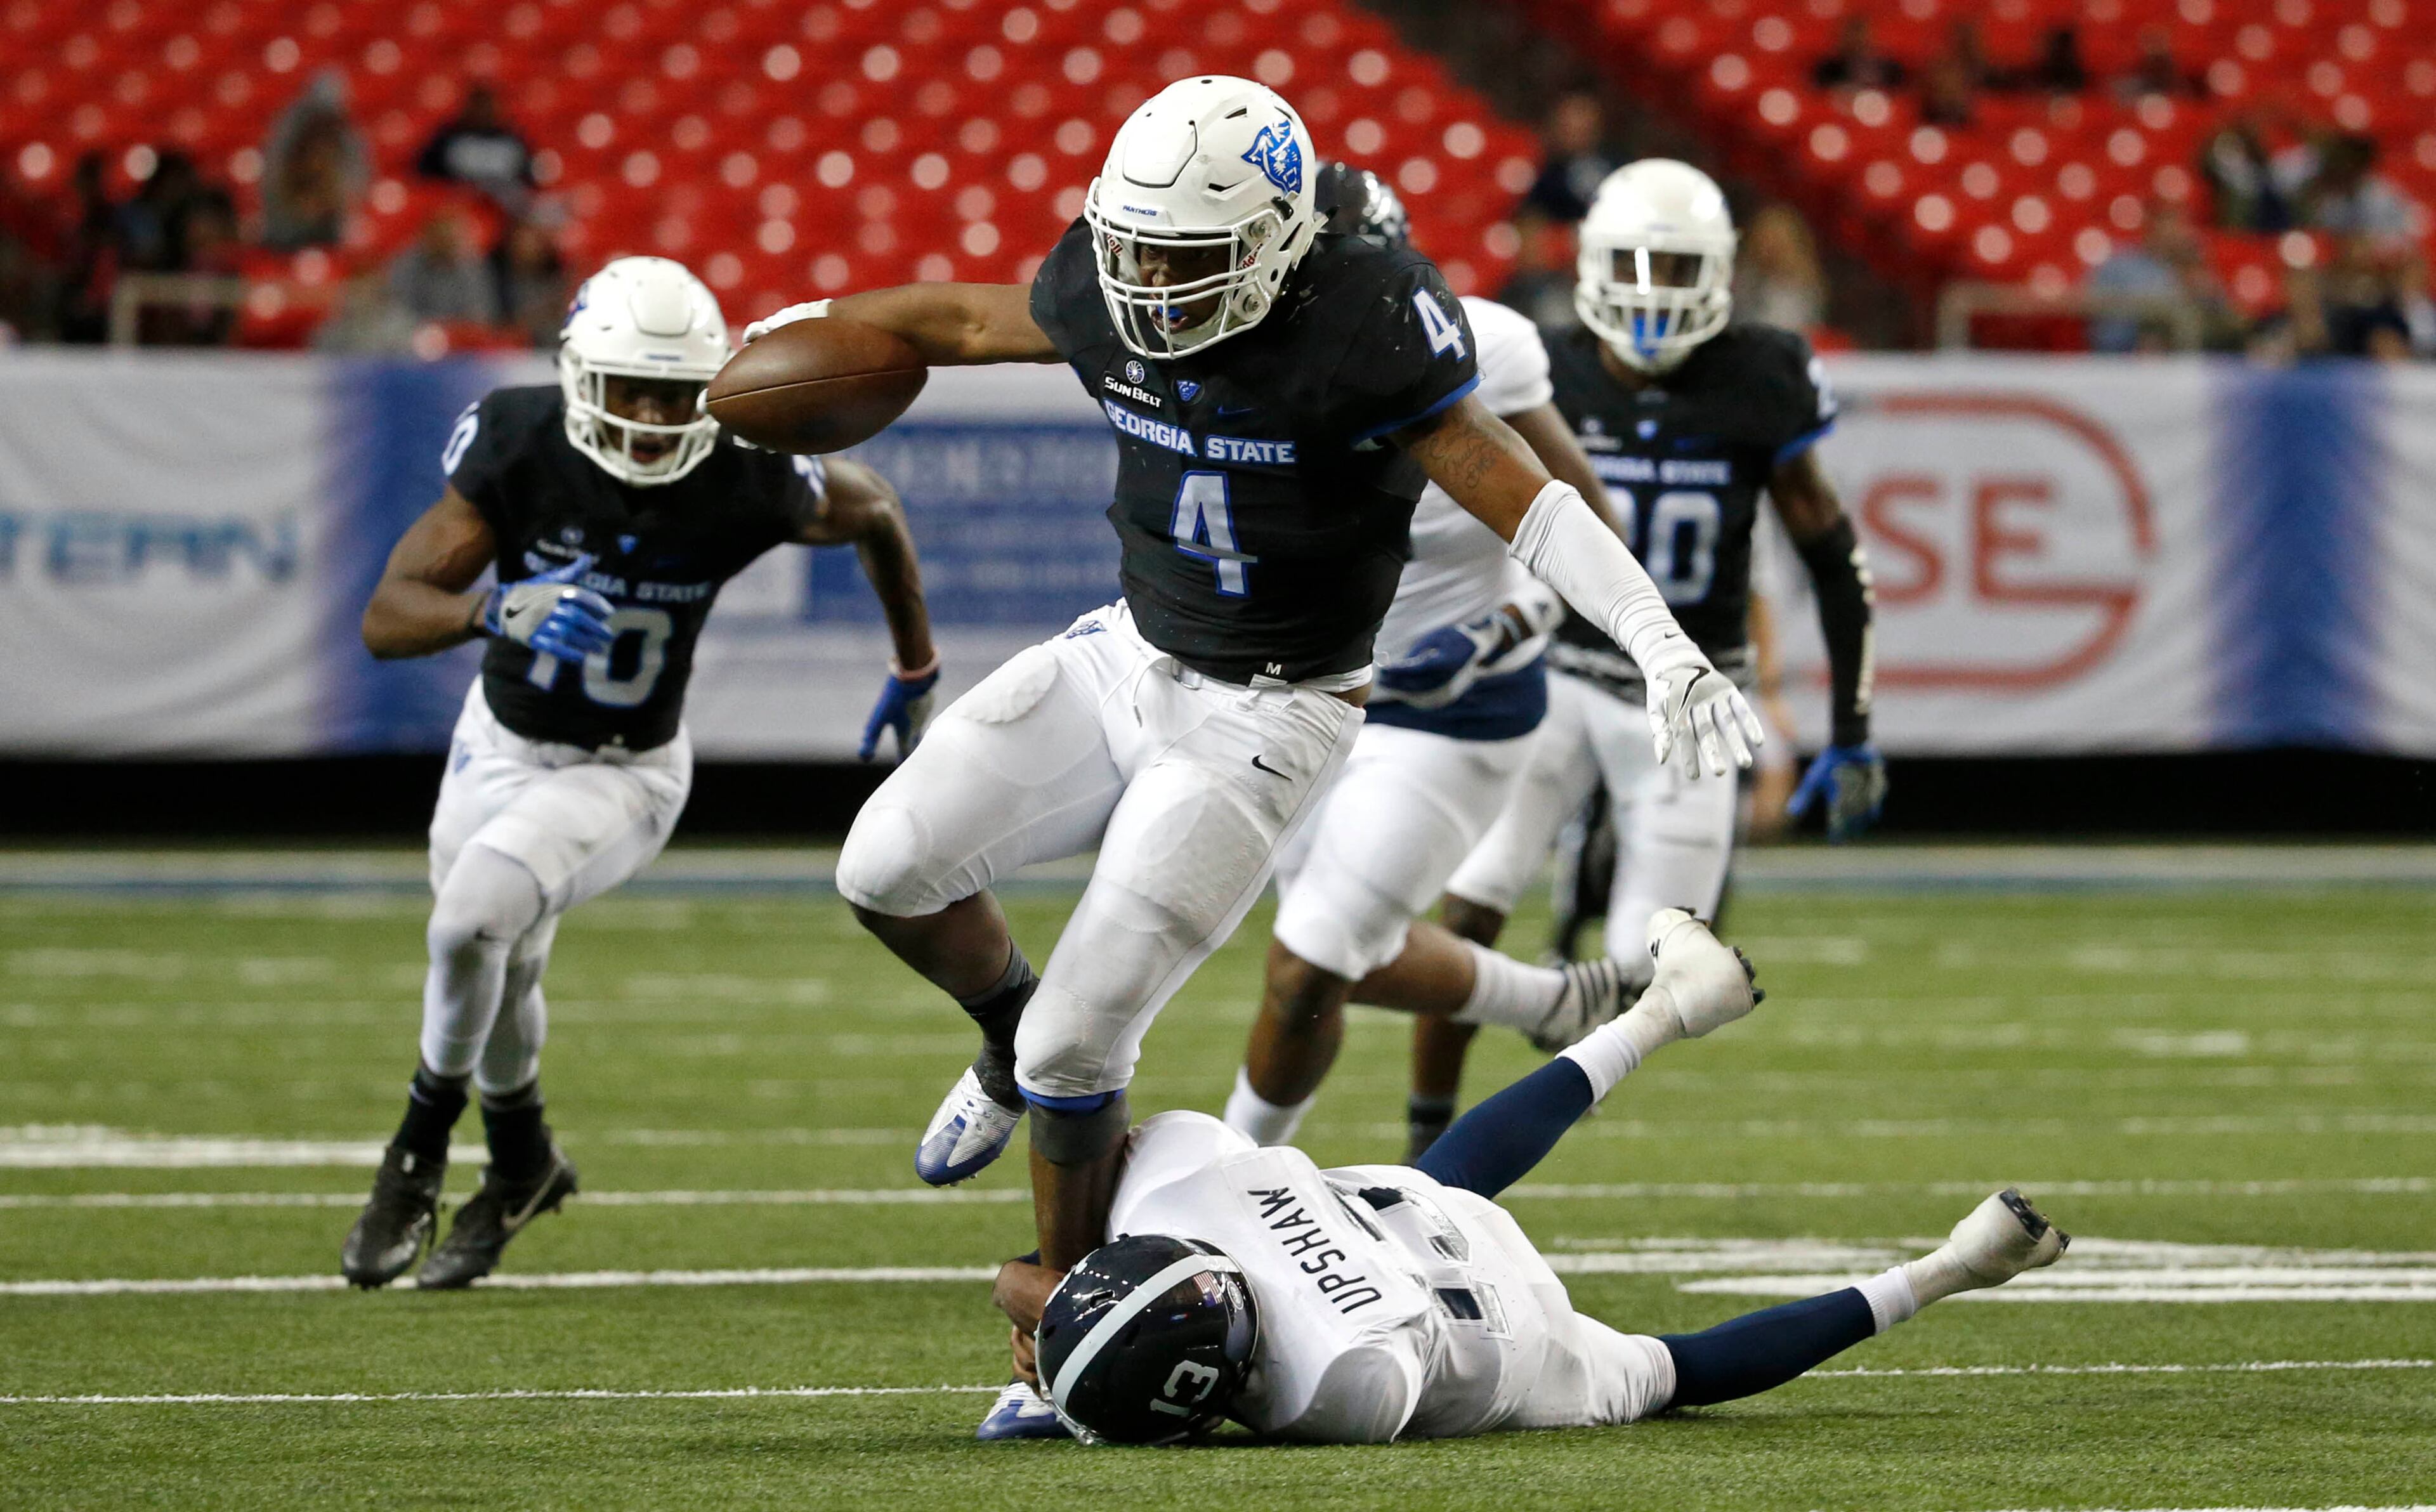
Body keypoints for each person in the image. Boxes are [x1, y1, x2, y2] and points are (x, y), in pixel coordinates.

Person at [745, 76, 1758, 1305]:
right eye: (1138, 252)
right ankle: (1004, 1037)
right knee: (885, 866)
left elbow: (1527, 495)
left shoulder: (1367, 325)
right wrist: (814, 318)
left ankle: (1063, 1305)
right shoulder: (1109, 279)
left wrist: (1657, 637)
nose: (1151, 286)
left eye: (1189, 258)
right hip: (1127, 649)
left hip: (1274, 709)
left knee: (1088, 1036)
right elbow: (960, 321)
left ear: (1277, 244)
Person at [340, 256, 941, 1289]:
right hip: (497, 744)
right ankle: (525, 1158)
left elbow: (876, 510)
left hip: (625, 772)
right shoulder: (523, 442)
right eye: (632, 388)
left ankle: (417, 1148)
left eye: (676, 390)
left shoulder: (749, 469)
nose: (656, 414)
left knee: (470, 920)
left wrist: (915, 663)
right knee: (503, 962)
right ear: (581, 377)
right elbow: (387, 614)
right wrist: (491, 608)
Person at [981, 911, 2070, 1444]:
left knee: (1665, 1369)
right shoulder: (1178, 1188)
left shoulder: (1333, 1385)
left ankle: (1954, 1265)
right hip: (1425, 1249)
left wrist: (1077, 1375)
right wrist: (1038, 1286)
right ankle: (1664, 1007)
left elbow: (1213, 1397)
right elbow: (1080, 1168)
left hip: (1495, 1332)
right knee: (1438, 1180)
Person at [1404, 160, 1882, 1160]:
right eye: (1636, 263)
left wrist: (1852, 728)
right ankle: (1425, 1145)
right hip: (1557, 677)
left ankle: (1501, 1121)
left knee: (1651, 981)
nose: (1655, 291)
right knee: (1473, 897)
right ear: (1590, 264)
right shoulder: (1541, 370)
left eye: (1677, 266)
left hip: (1696, 695)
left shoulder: (1762, 373)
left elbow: (1831, 552)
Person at [1212, 164, 1640, 1162]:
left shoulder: (1486, 345)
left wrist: (1514, 624)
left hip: (1452, 709)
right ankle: (1554, 998)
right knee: (1345, 959)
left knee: (1308, 964)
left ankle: (1235, 1186)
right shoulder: (1243, 357)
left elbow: (1583, 526)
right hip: (1316, 693)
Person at [416, 82, 537, 213]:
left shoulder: (512, 140)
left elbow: (529, 177)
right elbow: (425, 175)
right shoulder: (449, 138)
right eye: (479, 106)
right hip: (457, 206)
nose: (483, 112)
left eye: (488, 106)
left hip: (503, 208)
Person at [388, 207, 499, 326]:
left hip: (460, 336)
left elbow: (480, 314)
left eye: (452, 238)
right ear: (428, 237)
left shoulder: (473, 267)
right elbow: (398, 310)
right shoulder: (408, 264)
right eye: (441, 236)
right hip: (416, 334)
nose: (447, 242)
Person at [1521, 93, 1616, 226]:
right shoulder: (1539, 172)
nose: (1578, 134)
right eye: (1569, 128)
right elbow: (1529, 225)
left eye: (1585, 128)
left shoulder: (1618, 170)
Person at [1811, 16, 1905, 92]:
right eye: (1852, 36)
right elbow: (1822, 98)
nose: (1858, 41)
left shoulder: (1890, 70)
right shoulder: (1827, 70)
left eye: (1863, 36)